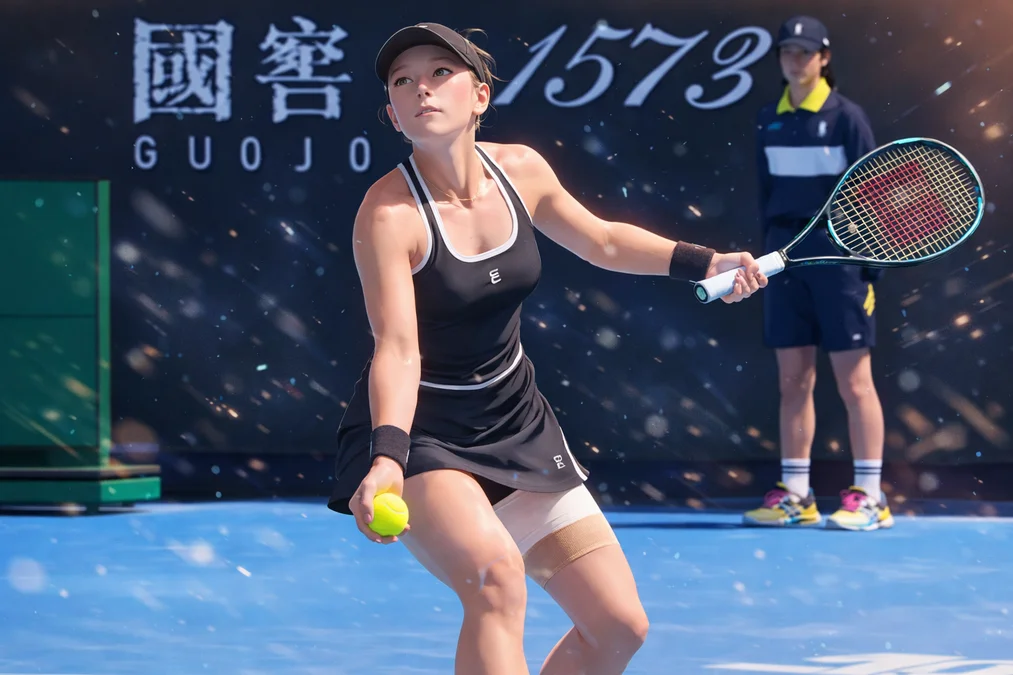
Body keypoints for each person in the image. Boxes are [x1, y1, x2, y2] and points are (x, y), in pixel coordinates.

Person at [326, 22, 767, 675]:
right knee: (494, 580)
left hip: (516, 422)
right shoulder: (387, 214)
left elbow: (602, 241)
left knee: (617, 625)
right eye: (403, 81)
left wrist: (705, 261)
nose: (422, 87)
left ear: (479, 95)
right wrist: (386, 457)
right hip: (422, 435)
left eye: (440, 72)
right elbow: (396, 347)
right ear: (392, 114)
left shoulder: (522, 170)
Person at [743, 15, 893, 532]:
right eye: (788, 51)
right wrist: (769, 253)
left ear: (824, 58)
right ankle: (797, 495)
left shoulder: (848, 118)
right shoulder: (769, 118)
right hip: (785, 262)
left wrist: (865, 266)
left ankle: (871, 496)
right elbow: (767, 196)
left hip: (841, 265)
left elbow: (874, 193)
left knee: (855, 384)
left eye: (806, 52)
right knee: (793, 382)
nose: (796, 60)